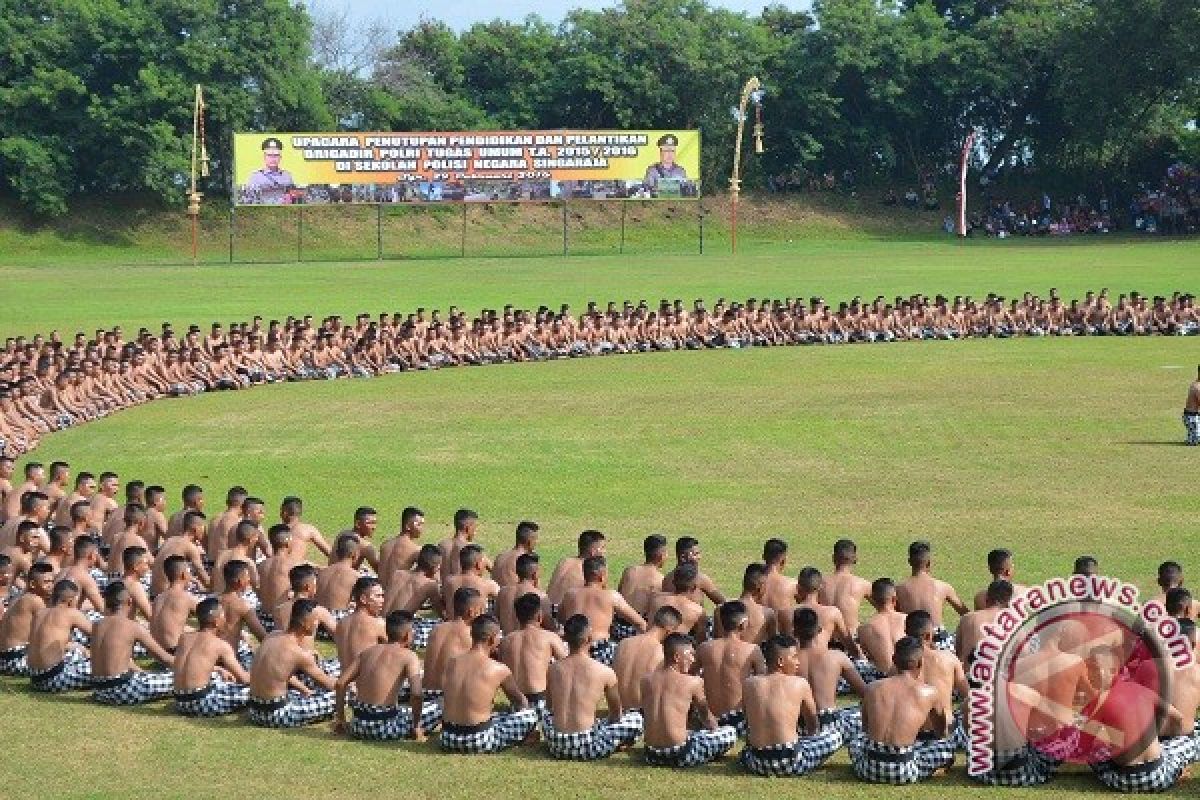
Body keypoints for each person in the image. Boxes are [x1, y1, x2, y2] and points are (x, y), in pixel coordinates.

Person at [849, 636, 956, 784]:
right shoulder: (929, 693)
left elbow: (866, 729)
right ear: (921, 663)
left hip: (868, 768)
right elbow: (940, 733)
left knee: (856, 741)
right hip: (904, 770)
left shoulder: (872, 688)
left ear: (894, 659)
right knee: (947, 746)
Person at [740, 634, 844, 777]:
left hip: (757, 761)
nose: (798, 662)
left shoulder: (748, 684)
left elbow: (748, 723)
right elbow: (812, 726)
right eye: (794, 657)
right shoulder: (799, 683)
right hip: (790, 762)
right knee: (836, 736)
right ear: (781, 661)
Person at [543, 614, 644, 760]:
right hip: (586, 745)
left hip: (556, 743)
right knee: (635, 719)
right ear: (589, 638)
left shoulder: (553, 669)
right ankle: (617, 742)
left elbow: (549, 708)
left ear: (565, 638)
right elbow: (616, 715)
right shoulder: (604, 672)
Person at [334, 610, 441, 741]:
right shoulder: (409, 656)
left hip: (358, 725)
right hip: (385, 727)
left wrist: (341, 719)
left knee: (402, 710)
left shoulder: (367, 652)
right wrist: (416, 726)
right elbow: (417, 694)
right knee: (441, 704)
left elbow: (340, 683)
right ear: (407, 635)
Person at [440, 614, 539, 753]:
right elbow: (519, 701)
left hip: (447, 737)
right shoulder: (498, 669)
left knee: (496, 717)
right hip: (478, 740)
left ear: (472, 634)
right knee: (530, 715)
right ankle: (527, 735)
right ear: (493, 638)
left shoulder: (452, 662)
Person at [640, 632, 737, 766]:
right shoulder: (693, 682)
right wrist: (717, 729)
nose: (693, 660)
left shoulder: (646, 680)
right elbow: (707, 719)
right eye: (690, 654)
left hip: (651, 754)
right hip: (679, 754)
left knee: (690, 733)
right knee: (730, 732)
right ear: (676, 657)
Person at [246, 598, 338, 728]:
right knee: (339, 697)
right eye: (315, 620)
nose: (317, 624)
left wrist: (304, 689)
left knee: (302, 692)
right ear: (305, 623)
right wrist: (349, 685)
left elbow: (279, 673)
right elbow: (329, 684)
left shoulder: (272, 635)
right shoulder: (298, 653)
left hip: (254, 710)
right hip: (276, 714)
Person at [89, 581, 176, 705]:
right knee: (180, 678)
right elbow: (164, 658)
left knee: (152, 676)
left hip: (99, 690)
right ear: (130, 602)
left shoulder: (97, 625)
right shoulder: (133, 627)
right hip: (121, 690)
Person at [793, 607, 868, 739]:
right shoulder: (836, 657)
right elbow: (865, 693)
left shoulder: (790, 662)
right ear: (819, 630)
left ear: (794, 632)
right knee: (861, 709)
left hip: (798, 723)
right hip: (829, 725)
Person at [695, 600, 766, 736]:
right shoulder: (752, 650)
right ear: (743, 624)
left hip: (709, 718)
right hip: (738, 719)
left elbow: (690, 678)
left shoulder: (704, 648)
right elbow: (763, 686)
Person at [172, 596, 252, 716]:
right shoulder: (220, 644)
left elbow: (191, 666)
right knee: (257, 691)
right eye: (223, 616)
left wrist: (218, 669)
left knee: (217, 679)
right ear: (216, 622)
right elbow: (244, 679)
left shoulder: (184, 638)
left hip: (179, 701)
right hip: (201, 704)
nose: (225, 619)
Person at [559, 556, 645, 666]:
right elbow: (640, 623)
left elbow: (560, 619)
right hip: (600, 650)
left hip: (571, 648)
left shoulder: (570, 594)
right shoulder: (611, 596)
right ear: (601, 577)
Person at [498, 592, 568, 712]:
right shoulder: (549, 637)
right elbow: (569, 666)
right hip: (542, 701)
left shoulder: (505, 641)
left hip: (517, 703)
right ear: (540, 616)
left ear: (517, 617)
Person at [895, 541, 967, 651]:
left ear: (909, 562)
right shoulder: (943, 587)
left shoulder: (898, 589)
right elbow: (965, 613)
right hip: (939, 641)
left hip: (912, 644)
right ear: (929, 563)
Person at [27, 579, 93, 692]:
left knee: (78, 650)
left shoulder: (40, 613)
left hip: (35, 678)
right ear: (71, 600)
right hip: (53, 679)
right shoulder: (71, 613)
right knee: (105, 670)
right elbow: (100, 635)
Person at [613, 605, 682, 711]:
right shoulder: (662, 652)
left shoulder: (623, 643)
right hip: (643, 716)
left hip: (618, 712)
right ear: (669, 631)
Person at [424, 587, 486, 701]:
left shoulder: (437, 629)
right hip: (446, 698)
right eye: (481, 610)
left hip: (426, 692)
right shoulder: (470, 634)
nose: (483, 614)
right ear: (471, 612)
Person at [384, 543, 444, 646]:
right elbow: (442, 613)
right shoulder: (430, 585)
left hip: (382, 623)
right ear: (435, 568)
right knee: (442, 628)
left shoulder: (398, 573)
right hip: (398, 632)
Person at [0, 561, 55, 675]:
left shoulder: (18, 597)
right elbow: (49, 633)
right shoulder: (34, 600)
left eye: (52, 582)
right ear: (33, 584)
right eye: (46, 582)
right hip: (17, 660)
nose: (51, 586)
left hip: (5, 659)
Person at [614, 534, 667, 639]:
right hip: (638, 630)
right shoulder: (660, 580)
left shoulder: (629, 571)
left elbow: (619, 595)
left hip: (617, 627)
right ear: (661, 555)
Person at [819, 539, 873, 639]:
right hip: (851, 640)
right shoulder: (862, 584)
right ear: (855, 559)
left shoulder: (820, 583)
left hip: (825, 640)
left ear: (833, 558)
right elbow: (885, 605)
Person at [857, 577, 906, 678]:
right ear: (894, 599)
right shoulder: (908, 619)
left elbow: (869, 657)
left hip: (883, 678)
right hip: (909, 674)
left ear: (873, 600)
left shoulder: (864, 629)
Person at [715, 562, 776, 643]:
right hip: (752, 655)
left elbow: (716, 641)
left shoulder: (720, 609)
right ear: (761, 587)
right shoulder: (768, 614)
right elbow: (772, 645)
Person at [149, 555, 199, 653]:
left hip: (155, 651)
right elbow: (210, 618)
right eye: (189, 573)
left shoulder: (158, 598)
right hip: (174, 651)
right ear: (183, 575)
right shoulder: (185, 598)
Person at [495, 552, 553, 634]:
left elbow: (496, 620)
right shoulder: (541, 597)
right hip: (529, 643)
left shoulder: (502, 592)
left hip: (507, 641)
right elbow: (551, 628)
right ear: (535, 574)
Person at [547, 529, 606, 609]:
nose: (604, 551)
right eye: (602, 548)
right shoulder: (590, 569)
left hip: (548, 610)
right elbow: (601, 597)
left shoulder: (564, 562)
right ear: (593, 551)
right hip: (566, 616)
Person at [377, 505, 425, 591]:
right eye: (419, 525)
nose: (422, 528)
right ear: (407, 526)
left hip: (380, 592)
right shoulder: (416, 550)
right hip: (395, 595)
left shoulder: (385, 545)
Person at [245, 137, 296, 202]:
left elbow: (293, 196)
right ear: (264, 157)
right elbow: (249, 199)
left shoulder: (287, 175)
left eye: (276, 155)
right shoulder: (255, 177)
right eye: (269, 155)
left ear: (280, 158)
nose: (273, 159)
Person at [492, 520, 538, 588]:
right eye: (535, 539)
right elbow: (535, 588)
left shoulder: (499, 557)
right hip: (516, 597)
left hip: (498, 597)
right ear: (529, 541)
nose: (536, 542)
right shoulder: (525, 561)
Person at [1184, 364, 1200, 445]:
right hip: (1192, 418)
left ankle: (1192, 435)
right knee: (1195, 441)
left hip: (1195, 416)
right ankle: (1193, 436)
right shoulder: (1197, 387)